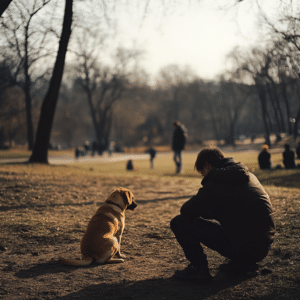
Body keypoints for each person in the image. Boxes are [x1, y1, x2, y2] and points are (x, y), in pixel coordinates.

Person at [170, 147, 275, 280]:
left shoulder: (218, 180)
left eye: (202, 173)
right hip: (262, 247)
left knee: (179, 222)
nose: (203, 177)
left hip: (245, 248)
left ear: (207, 166)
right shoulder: (246, 175)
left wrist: (207, 210)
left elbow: (186, 210)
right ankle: (243, 263)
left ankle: (199, 268)